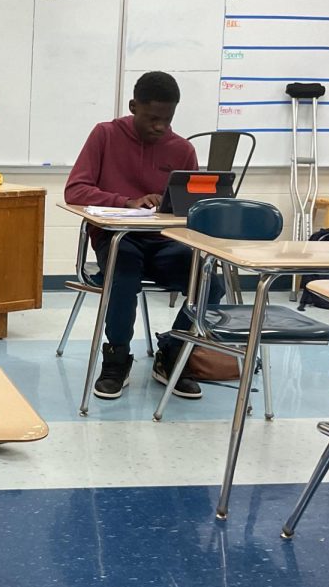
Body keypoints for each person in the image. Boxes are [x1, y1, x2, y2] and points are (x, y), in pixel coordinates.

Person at [64, 71, 223, 400]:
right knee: (124, 272)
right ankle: (117, 358)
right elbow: (75, 189)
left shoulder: (181, 150)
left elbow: (191, 208)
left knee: (212, 283)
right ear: (133, 106)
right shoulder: (105, 135)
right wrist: (125, 202)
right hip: (119, 239)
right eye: (152, 118)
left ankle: (173, 353)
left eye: (168, 119)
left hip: (165, 242)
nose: (160, 127)